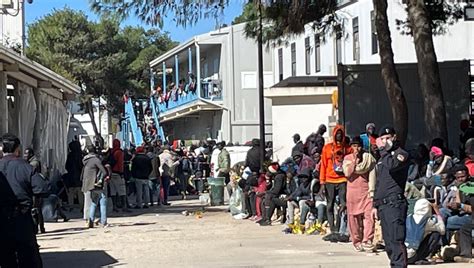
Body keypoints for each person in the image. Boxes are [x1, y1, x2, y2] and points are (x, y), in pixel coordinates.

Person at [0, 134, 43, 267]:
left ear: (1, 148)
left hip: (1, 221)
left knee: (5, 258)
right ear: (18, 149)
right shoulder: (25, 167)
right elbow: (42, 188)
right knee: (29, 259)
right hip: (22, 218)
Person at [372, 126, 410, 268]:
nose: (385, 141)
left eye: (388, 138)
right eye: (383, 139)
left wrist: (383, 150)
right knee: (388, 243)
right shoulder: (383, 158)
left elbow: (392, 166)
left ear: (394, 138)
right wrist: (375, 205)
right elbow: (379, 182)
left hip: (395, 204)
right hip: (383, 205)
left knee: (396, 240)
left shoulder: (400, 154)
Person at [342, 136, 376, 252]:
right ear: (351, 147)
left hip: (366, 191)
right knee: (354, 218)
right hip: (353, 193)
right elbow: (347, 173)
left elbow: (372, 175)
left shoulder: (368, 159)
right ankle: (356, 241)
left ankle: (367, 240)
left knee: (369, 217)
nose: (357, 148)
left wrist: (372, 192)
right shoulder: (347, 158)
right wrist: (354, 161)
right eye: (355, 146)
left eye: (359, 146)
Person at [320, 125, 351, 235]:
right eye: (337, 133)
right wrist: (322, 182)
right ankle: (332, 229)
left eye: (341, 134)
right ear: (334, 135)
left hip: (342, 179)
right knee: (329, 205)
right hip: (329, 180)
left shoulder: (347, 148)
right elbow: (323, 165)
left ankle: (339, 227)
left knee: (343, 204)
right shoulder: (327, 148)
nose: (339, 136)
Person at [405, 199, 445, 265]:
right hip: (412, 256)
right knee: (436, 234)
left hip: (403, 255)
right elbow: (442, 230)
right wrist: (437, 213)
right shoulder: (428, 221)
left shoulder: (408, 217)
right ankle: (422, 257)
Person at [82, 145, 108, 228]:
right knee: (102, 202)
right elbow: (104, 172)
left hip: (86, 182)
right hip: (95, 184)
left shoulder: (85, 160)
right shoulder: (96, 160)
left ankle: (89, 220)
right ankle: (103, 222)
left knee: (91, 202)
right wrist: (101, 180)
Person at [109, 139, 129, 213]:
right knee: (122, 190)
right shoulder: (119, 152)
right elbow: (120, 164)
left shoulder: (111, 152)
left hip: (111, 173)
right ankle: (124, 206)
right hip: (118, 174)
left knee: (113, 191)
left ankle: (114, 206)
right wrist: (122, 173)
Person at [65, 141, 84, 210]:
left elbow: (66, 166)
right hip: (79, 177)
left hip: (70, 177)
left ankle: (71, 206)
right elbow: (81, 166)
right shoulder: (80, 156)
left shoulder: (70, 155)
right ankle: (81, 207)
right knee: (80, 193)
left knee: (71, 193)